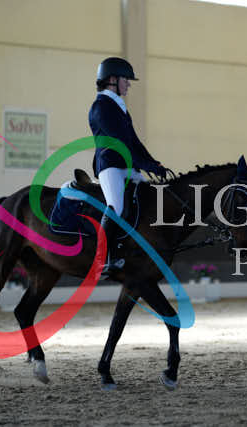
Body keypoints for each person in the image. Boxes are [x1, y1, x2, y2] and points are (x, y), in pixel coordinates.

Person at [89, 57, 166, 273]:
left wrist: (153, 163)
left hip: (128, 166)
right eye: (126, 80)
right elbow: (120, 144)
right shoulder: (101, 107)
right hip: (110, 166)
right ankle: (102, 258)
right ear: (112, 80)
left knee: (149, 199)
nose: (129, 84)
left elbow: (134, 142)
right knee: (116, 205)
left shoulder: (119, 107)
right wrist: (146, 165)